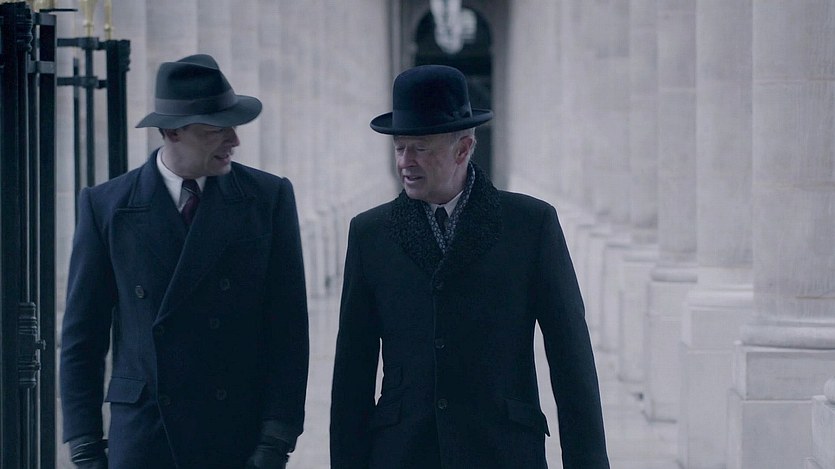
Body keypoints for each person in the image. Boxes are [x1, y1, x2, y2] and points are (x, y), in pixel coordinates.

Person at [329, 64, 610, 468]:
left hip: (503, 451)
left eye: (420, 147)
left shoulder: (531, 225)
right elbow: (351, 375)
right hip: (403, 453)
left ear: (463, 149)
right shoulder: (369, 234)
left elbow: (572, 363)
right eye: (399, 147)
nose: (405, 161)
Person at [60, 54, 309, 469]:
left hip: (236, 433)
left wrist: (276, 439)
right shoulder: (106, 206)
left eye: (234, 126)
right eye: (216, 130)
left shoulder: (268, 198)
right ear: (172, 132)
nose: (234, 140)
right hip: (144, 434)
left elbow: (288, 329)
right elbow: (82, 337)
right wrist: (85, 445)